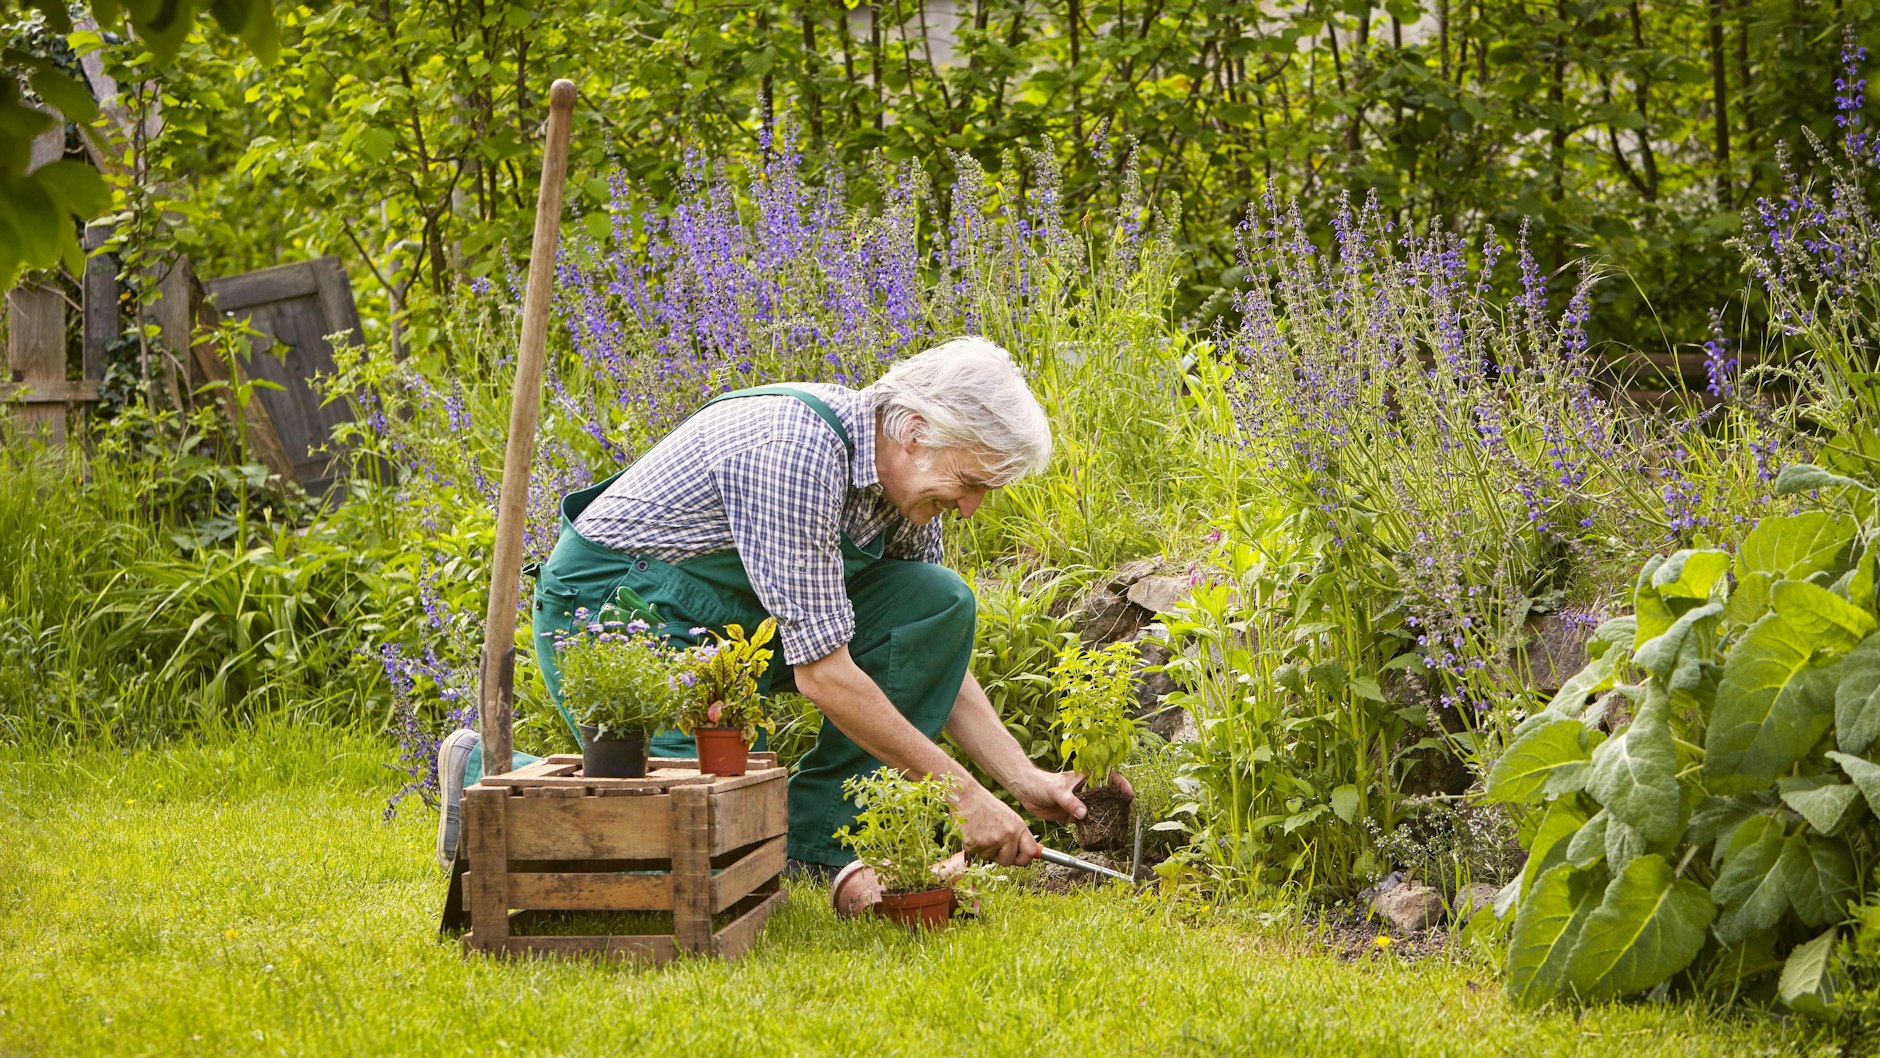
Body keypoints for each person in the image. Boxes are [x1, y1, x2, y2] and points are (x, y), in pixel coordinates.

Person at [434, 336, 1128, 889]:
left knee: (938, 602)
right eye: (970, 482)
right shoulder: (794, 452)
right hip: (625, 616)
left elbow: (925, 646)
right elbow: (824, 675)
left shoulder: (906, 490)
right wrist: (963, 797)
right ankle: (482, 776)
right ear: (914, 430)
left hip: (731, 630)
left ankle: (812, 843)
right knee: (681, 848)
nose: (972, 505)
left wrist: (1020, 777)